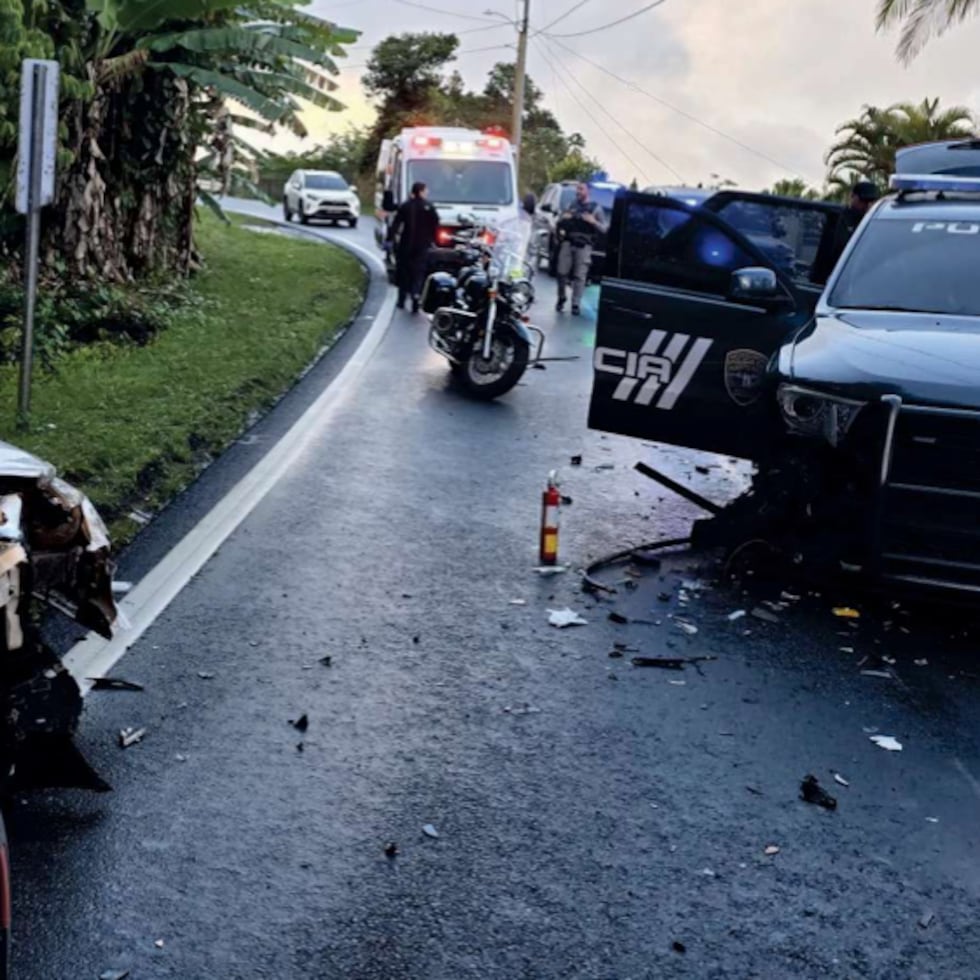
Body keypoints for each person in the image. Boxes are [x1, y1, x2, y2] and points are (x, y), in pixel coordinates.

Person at [386, 181, 440, 313]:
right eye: (426, 190)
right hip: (422, 245)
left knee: (404, 271)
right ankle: (416, 296)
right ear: (421, 191)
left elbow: (396, 224)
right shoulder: (429, 207)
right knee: (418, 272)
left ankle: (401, 299)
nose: (427, 192)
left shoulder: (405, 206)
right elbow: (435, 224)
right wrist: (432, 240)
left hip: (406, 244)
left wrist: (390, 239)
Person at [556, 182, 608, 315]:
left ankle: (575, 303)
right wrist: (564, 218)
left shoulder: (595, 208)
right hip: (568, 242)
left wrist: (593, 222)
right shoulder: (571, 205)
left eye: (581, 189)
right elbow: (559, 221)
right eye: (577, 189)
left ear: (588, 191)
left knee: (580, 276)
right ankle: (562, 297)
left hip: (584, 246)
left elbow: (604, 229)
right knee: (561, 272)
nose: (578, 191)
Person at [826, 180, 881, 270]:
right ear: (853, 196)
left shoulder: (877, 222)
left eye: (871, 201)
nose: (867, 205)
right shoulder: (839, 218)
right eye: (864, 201)